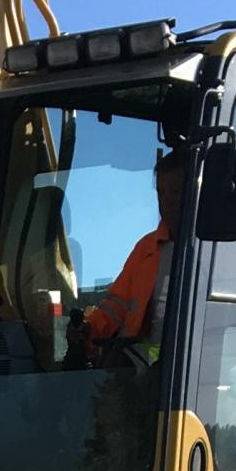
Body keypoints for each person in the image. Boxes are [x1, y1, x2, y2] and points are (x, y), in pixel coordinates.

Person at [83, 150, 185, 360]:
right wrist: (87, 331)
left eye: (175, 191)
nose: (166, 200)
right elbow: (115, 307)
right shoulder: (146, 248)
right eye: (161, 193)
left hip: (196, 366)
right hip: (142, 366)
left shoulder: (226, 250)